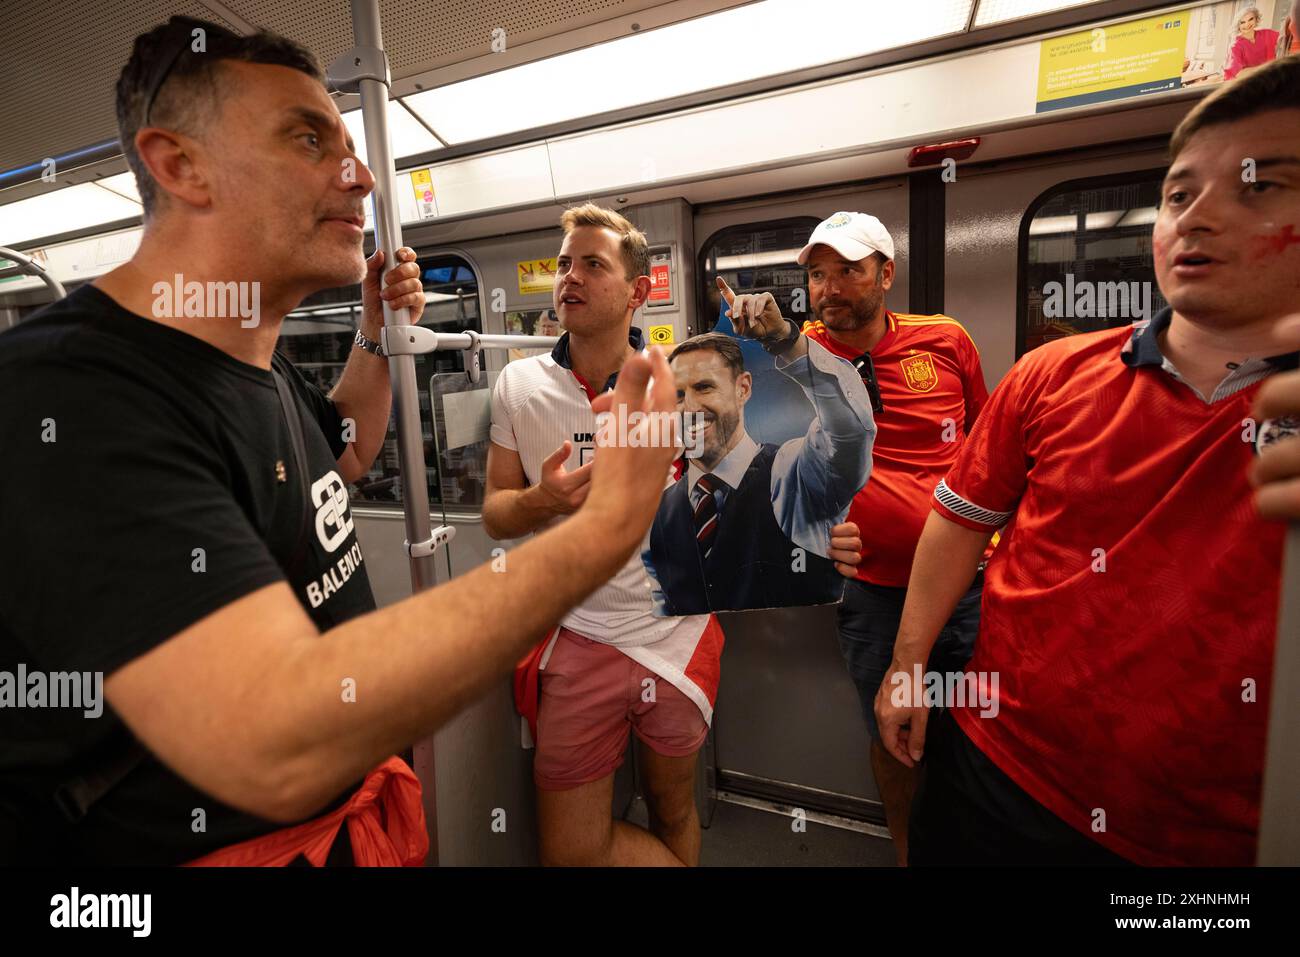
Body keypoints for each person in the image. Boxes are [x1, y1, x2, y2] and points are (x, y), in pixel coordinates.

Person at [0, 18, 684, 866]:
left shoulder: (253, 360)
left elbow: (348, 452)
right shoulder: (68, 392)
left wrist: (371, 328)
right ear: (180, 165)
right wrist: (602, 528)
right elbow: (270, 735)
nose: (359, 177)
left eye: (351, 148)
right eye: (307, 138)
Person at [877, 55, 1300, 866]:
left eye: (1259, 185)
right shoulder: (1055, 372)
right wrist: (909, 666)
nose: (1198, 217)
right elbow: (958, 525)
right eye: (1179, 194)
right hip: (998, 770)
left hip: (1209, 839)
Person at [485, 203, 866, 865]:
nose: (570, 276)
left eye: (592, 264)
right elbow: (495, 511)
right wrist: (537, 501)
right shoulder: (519, 385)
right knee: (570, 850)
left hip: (676, 634)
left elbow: (749, 480)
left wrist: (815, 535)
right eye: (565, 263)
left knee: (673, 807)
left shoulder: (682, 383)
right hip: (579, 635)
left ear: (637, 291)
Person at [792, 211, 989, 866]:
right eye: (818, 274)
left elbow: (991, 455)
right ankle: (907, 853)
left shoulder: (946, 340)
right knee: (894, 733)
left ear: (886, 273)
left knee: (972, 736)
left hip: (965, 587)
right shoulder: (795, 361)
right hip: (871, 596)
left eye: (847, 269)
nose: (831, 287)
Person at [643, 298, 874, 615]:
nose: (691, 408)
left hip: (797, 658)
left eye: (705, 387)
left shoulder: (793, 476)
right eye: (679, 395)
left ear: (743, 388)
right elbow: (659, 603)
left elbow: (849, 431)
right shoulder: (660, 509)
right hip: (696, 663)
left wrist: (786, 341)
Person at [1223, 5, 1280, 80]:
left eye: (1250, 19)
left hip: (1269, 80)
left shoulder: (1267, 34)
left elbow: (1286, 37)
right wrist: (1266, 68)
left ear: (1256, 19)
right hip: (1247, 84)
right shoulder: (1235, 46)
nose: (1247, 24)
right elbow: (1238, 73)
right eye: (1242, 22)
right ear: (1238, 25)